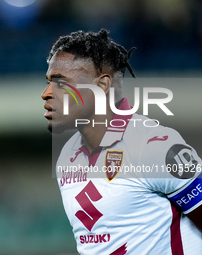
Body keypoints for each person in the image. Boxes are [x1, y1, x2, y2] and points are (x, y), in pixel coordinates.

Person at [41, 29, 202, 254]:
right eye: (48, 82)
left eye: (60, 83)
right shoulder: (67, 156)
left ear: (102, 85)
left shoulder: (154, 146)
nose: (46, 93)